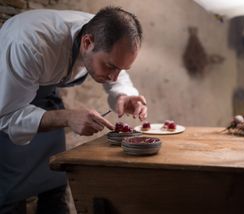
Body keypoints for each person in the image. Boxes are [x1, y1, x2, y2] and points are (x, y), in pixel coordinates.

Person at [0, 6, 147, 213]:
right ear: (87, 43)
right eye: (110, 66)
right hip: (8, 106)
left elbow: (118, 74)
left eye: (121, 69)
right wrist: (67, 117)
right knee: (11, 195)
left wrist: (124, 95)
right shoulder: (28, 43)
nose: (115, 76)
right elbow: (7, 116)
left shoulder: (101, 32)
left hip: (46, 100)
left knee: (55, 183)